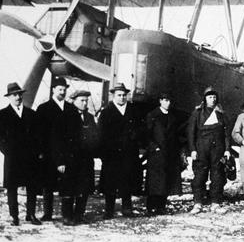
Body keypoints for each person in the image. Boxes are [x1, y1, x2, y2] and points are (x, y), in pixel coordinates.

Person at [0, 82, 42, 226]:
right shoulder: (2, 115)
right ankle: (14, 216)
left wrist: (37, 152)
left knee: (32, 186)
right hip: (13, 158)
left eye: (20, 94)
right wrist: (7, 151)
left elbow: (38, 136)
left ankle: (31, 214)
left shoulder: (31, 114)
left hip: (30, 158)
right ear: (9, 97)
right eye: (14, 95)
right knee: (12, 187)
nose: (18, 97)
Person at [51, 90, 99, 225]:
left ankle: (79, 215)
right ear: (73, 101)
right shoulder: (64, 116)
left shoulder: (89, 117)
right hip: (69, 160)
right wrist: (60, 161)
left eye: (86, 100)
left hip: (85, 160)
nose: (84, 103)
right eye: (81, 100)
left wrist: (93, 149)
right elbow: (57, 141)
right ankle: (67, 216)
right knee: (68, 188)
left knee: (84, 189)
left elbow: (95, 137)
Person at [98, 82, 145, 219]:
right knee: (110, 183)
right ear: (113, 95)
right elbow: (101, 135)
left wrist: (135, 136)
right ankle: (109, 210)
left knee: (127, 181)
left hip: (129, 154)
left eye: (124, 95)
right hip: (112, 155)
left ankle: (127, 208)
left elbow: (141, 128)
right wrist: (104, 154)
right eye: (119, 95)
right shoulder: (106, 112)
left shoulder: (133, 111)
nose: (122, 97)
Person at [187, 86, 231, 214]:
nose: (212, 99)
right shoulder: (197, 113)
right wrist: (193, 150)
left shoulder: (221, 114)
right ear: (205, 99)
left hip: (217, 149)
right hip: (201, 149)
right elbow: (191, 133)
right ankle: (197, 202)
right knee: (199, 175)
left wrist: (227, 149)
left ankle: (215, 203)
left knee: (217, 175)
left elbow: (226, 134)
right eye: (210, 97)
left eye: (214, 97)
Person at [34, 76, 71, 221]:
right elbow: (38, 134)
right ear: (53, 90)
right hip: (49, 154)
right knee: (47, 185)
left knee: (66, 184)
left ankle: (66, 215)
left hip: (66, 154)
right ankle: (47, 213)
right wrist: (41, 152)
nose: (62, 92)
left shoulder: (70, 109)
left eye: (64, 89)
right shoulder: (43, 109)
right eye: (59, 89)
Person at [145, 93, 185, 215]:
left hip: (169, 153)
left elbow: (177, 135)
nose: (168, 103)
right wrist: (154, 147)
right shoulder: (152, 115)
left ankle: (161, 206)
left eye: (169, 101)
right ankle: (151, 207)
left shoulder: (172, 117)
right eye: (165, 100)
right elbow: (147, 134)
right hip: (156, 154)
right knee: (154, 182)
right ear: (160, 101)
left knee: (166, 181)